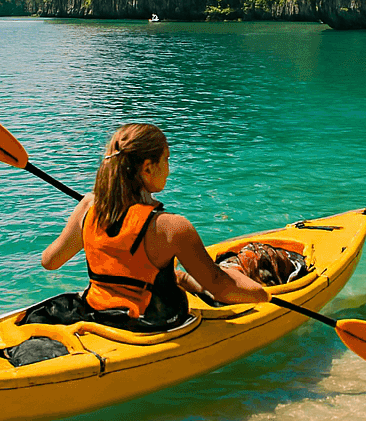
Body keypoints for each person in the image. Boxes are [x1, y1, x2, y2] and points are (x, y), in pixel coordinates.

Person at [40, 123, 270, 327]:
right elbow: (221, 287)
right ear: (148, 167)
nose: (169, 170)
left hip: (95, 311)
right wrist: (265, 295)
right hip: (149, 323)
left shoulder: (88, 207)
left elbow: (50, 261)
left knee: (174, 276)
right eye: (167, 159)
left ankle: (184, 281)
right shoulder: (171, 227)